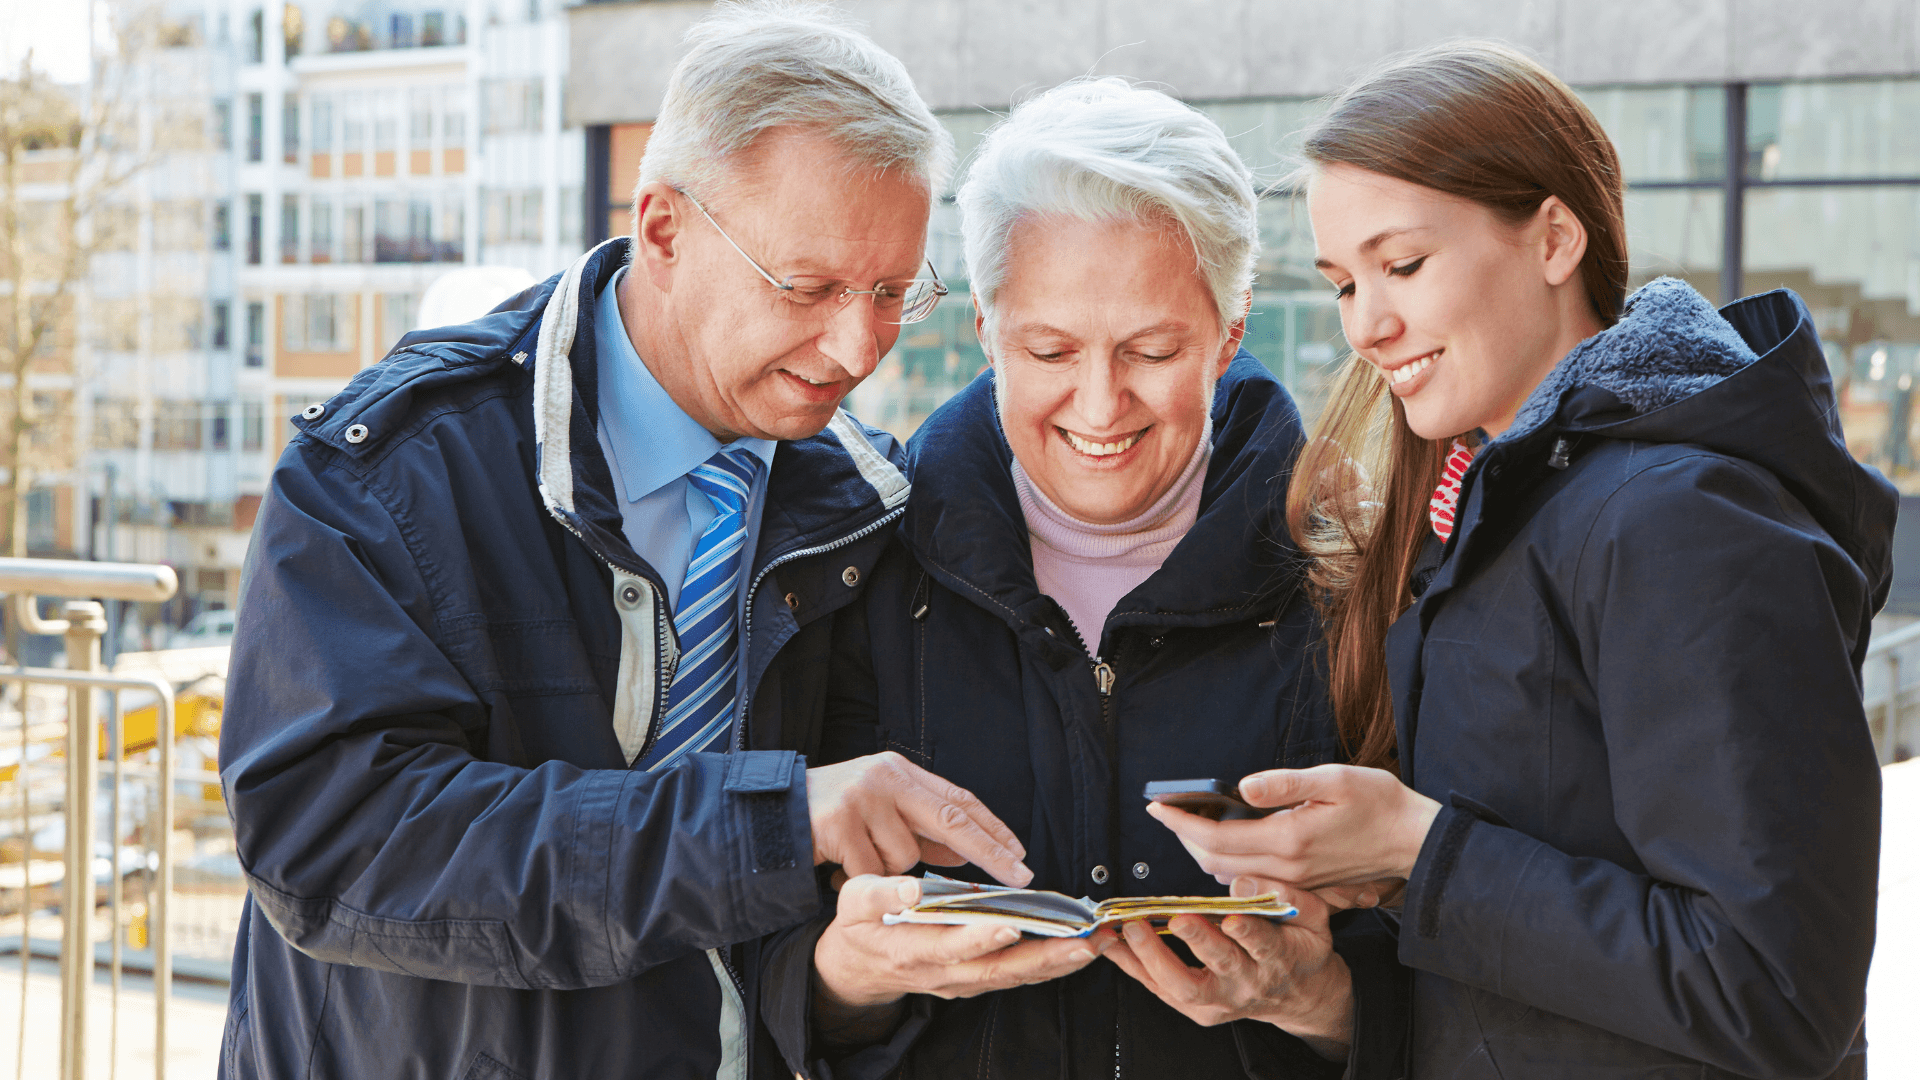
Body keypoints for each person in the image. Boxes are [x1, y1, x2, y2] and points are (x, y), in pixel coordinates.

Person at [217, 5, 1038, 1078]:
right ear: (663, 229)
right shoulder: (394, 469)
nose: (855, 347)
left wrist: (846, 981)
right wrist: (766, 824)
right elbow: (329, 842)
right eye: (810, 286)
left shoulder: (865, 505)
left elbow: (795, 946)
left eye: (893, 294)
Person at [1147, 42, 1890, 1080]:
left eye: (1401, 265)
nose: (1368, 324)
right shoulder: (1483, 512)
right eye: (1343, 284)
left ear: (1553, 239)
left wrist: (1420, 852)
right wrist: (1340, 963)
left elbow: (1773, 993)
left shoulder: (1677, 520)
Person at [759, 79, 1405, 1080]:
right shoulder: (859, 570)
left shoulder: (1357, 580)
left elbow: (1458, 987)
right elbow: (773, 977)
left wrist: (1319, 1002)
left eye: (1151, 351)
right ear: (985, 331)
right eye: (1050, 349)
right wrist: (842, 976)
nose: (1100, 406)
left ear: (1230, 337)